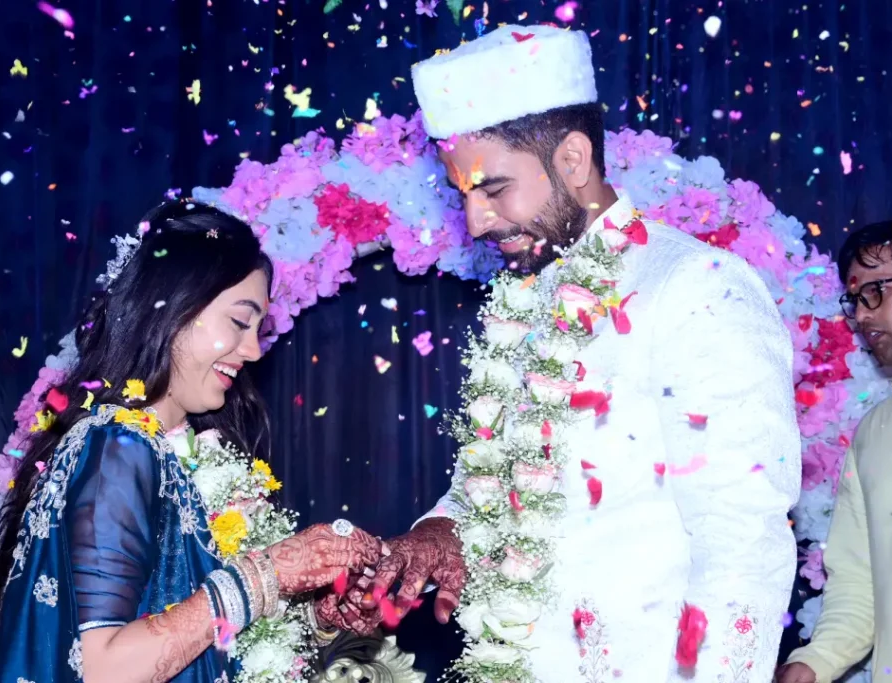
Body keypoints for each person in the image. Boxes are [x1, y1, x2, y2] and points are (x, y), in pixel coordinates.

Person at [321, 25, 802, 682]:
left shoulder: (694, 287)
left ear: (573, 160)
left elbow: (742, 541)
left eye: (494, 189)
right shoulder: (523, 302)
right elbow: (499, 487)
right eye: (462, 195)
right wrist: (440, 532)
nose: (476, 221)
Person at [0, 201, 382, 683]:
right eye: (239, 322)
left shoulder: (180, 455)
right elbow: (103, 669)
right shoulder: (117, 447)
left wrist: (312, 616)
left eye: (258, 330)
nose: (253, 350)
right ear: (172, 307)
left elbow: (204, 637)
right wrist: (268, 573)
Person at [777, 217, 892, 683]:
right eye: (854, 300)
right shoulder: (876, 434)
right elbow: (859, 584)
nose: (862, 314)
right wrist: (814, 663)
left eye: (875, 290)